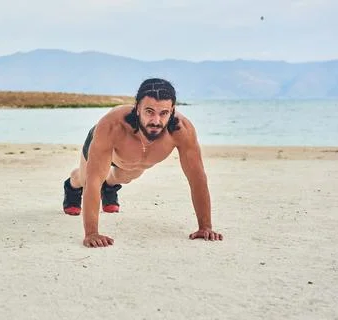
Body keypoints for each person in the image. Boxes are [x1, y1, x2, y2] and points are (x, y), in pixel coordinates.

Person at [62, 78, 223, 248]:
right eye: (149, 111)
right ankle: (71, 187)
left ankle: (109, 188)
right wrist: (92, 233)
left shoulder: (182, 131)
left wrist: (205, 226)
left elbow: (197, 178)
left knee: (125, 176)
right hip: (105, 146)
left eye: (163, 113)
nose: (156, 120)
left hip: (129, 163)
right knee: (85, 178)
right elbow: (93, 181)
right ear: (137, 108)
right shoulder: (112, 125)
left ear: (172, 111)